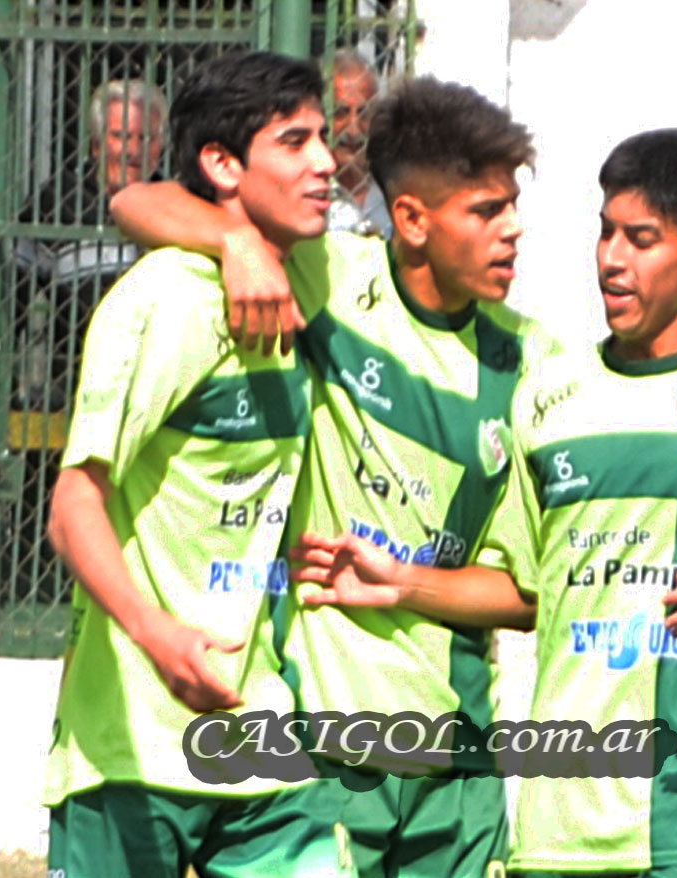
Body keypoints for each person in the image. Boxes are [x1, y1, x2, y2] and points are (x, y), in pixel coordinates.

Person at [293, 129, 677, 877]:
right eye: (606, 232)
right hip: (553, 828)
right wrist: (402, 583)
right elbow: (523, 589)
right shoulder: (548, 394)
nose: (612, 259)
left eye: (642, 240)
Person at [110, 74, 547, 878]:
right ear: (411, 220)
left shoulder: (528, 360)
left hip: (458, 761)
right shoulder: (328, 277)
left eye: (512, 207)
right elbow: (136, 201)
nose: (513, 230)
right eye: (487, 211)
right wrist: (237, 244)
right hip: (324, 742)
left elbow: (527, 594)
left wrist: (404, 585)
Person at [43, 51, 350, 878]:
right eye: (295, 142)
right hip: (131, 740)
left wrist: (240, 237)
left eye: (323, 138)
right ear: (222, 164)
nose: (325, 162)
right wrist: (157, 635)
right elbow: (73, 505)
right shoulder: (166, 300)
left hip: (258, 732)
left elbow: (136, 198)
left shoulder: (315, 269)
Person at [13, 78, 167, 410]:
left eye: (146, 138)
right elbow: (9, 302)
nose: (133, 151)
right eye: (120, 137)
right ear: (96, 145)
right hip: (82, 390)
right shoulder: (58, 204)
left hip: (161, 391)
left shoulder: (178, 207)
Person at [324, 49, 391, 238]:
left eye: (364, 113)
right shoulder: (311, 195)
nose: (353, 130)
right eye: (340, 113)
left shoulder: (392, 187)